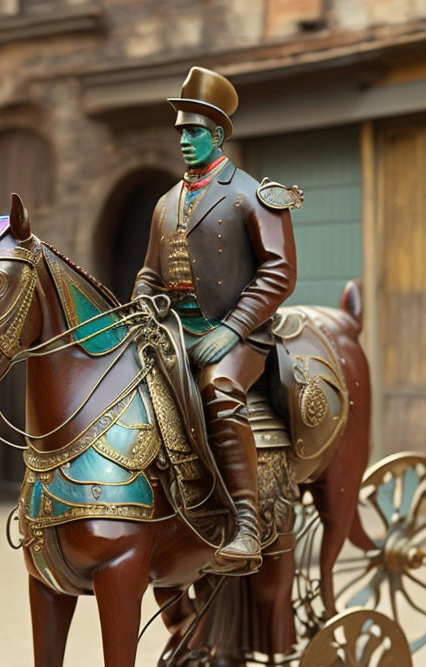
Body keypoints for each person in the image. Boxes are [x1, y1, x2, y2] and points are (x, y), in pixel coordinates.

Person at [132, 66, 300, 573]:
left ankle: (246, 524)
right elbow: (148, 271)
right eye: (181, 131)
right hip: (173, 329)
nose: (185, 140)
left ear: (219, 135)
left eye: (195, 132)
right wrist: (142, 298)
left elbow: (280, 272)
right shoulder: (165, 203)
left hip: (240, 333)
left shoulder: (252, 194)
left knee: (221, 390)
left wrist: (231, 330)